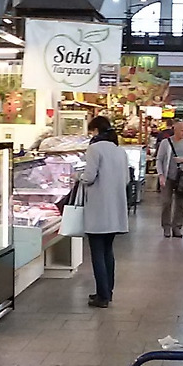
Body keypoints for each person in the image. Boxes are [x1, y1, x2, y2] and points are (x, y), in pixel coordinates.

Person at [80, 116, 129, 308]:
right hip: (115, 208)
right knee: (108, 251)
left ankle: (102, 296)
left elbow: (89, 177)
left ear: (96, 130)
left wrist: (78, 177)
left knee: (97, 253)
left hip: (98, 208)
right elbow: (126, 179)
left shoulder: (94, 149)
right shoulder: (120, 151)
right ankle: (107, 291)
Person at [155, 120, 183, 238]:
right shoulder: (165, 143)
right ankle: (166, 227)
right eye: (182, 130)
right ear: (175, 130)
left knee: (180, 204)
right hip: (168, 176)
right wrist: (161, 175)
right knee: (166, 202)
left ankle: (177, 227)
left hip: (182, 177)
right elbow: (159, 159)